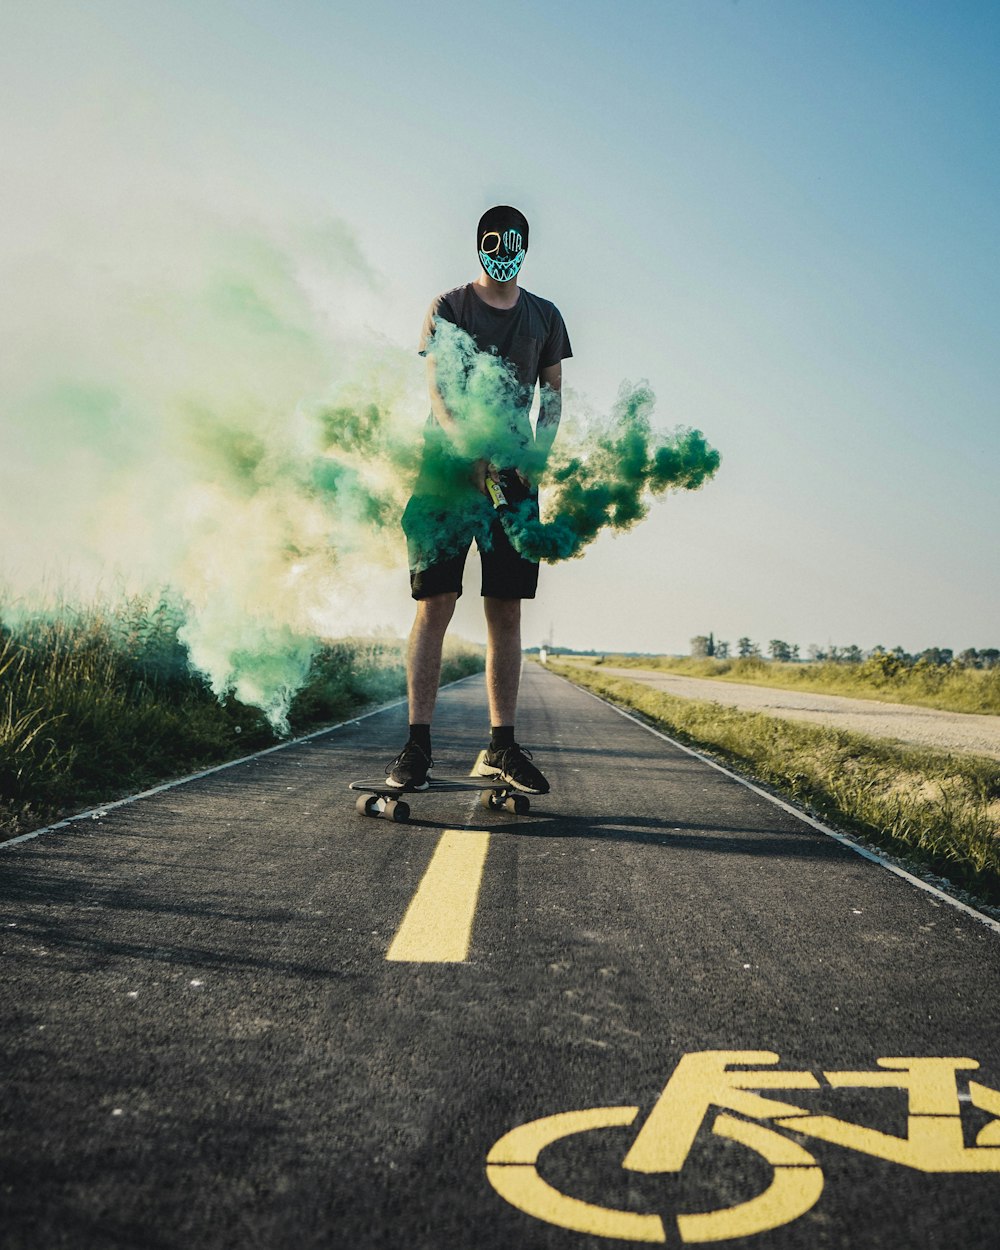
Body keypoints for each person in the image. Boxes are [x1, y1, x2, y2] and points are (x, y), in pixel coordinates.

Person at [385, 205, 572, 792]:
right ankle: (416, 747)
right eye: (495, 241)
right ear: (481, 245)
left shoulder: (545, 316)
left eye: (514, 241)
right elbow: (439, 391)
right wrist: (468, 453)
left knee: (506, 609)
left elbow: (554, 397)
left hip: (514, 482)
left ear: (524, 247)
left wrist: (533, 460)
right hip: (446, 473)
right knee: (435, 603)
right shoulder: (449, 307)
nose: (504, 250)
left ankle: (502, 747)